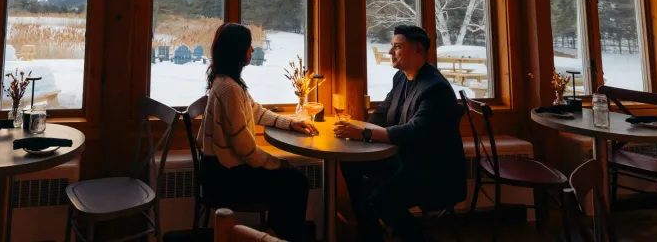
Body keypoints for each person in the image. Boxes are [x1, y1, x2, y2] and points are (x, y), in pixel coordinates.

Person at [333, 25, 467, 241]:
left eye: (397, 47)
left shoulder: (436, 88)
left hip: (433, 169)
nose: (390, 52)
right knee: (350, 161)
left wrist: (365, 135)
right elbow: (381, 113)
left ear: (417, 51)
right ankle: (370, 235)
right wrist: (357, 134)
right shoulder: (401, 78)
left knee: (382, 199)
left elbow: (415, 131)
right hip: (406, 158)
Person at [197, 23, 316, 242]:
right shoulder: (229, 89)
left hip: (219, 168)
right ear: (238, 50)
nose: (252, 50)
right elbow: (245, 148)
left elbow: (256, 111)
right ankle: (277, 237)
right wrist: (278, 163)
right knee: (296, 182)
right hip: (223, 177)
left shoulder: (229, 82)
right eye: (248, 45)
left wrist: (290, 123)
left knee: (292, 180)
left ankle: (274, 234)